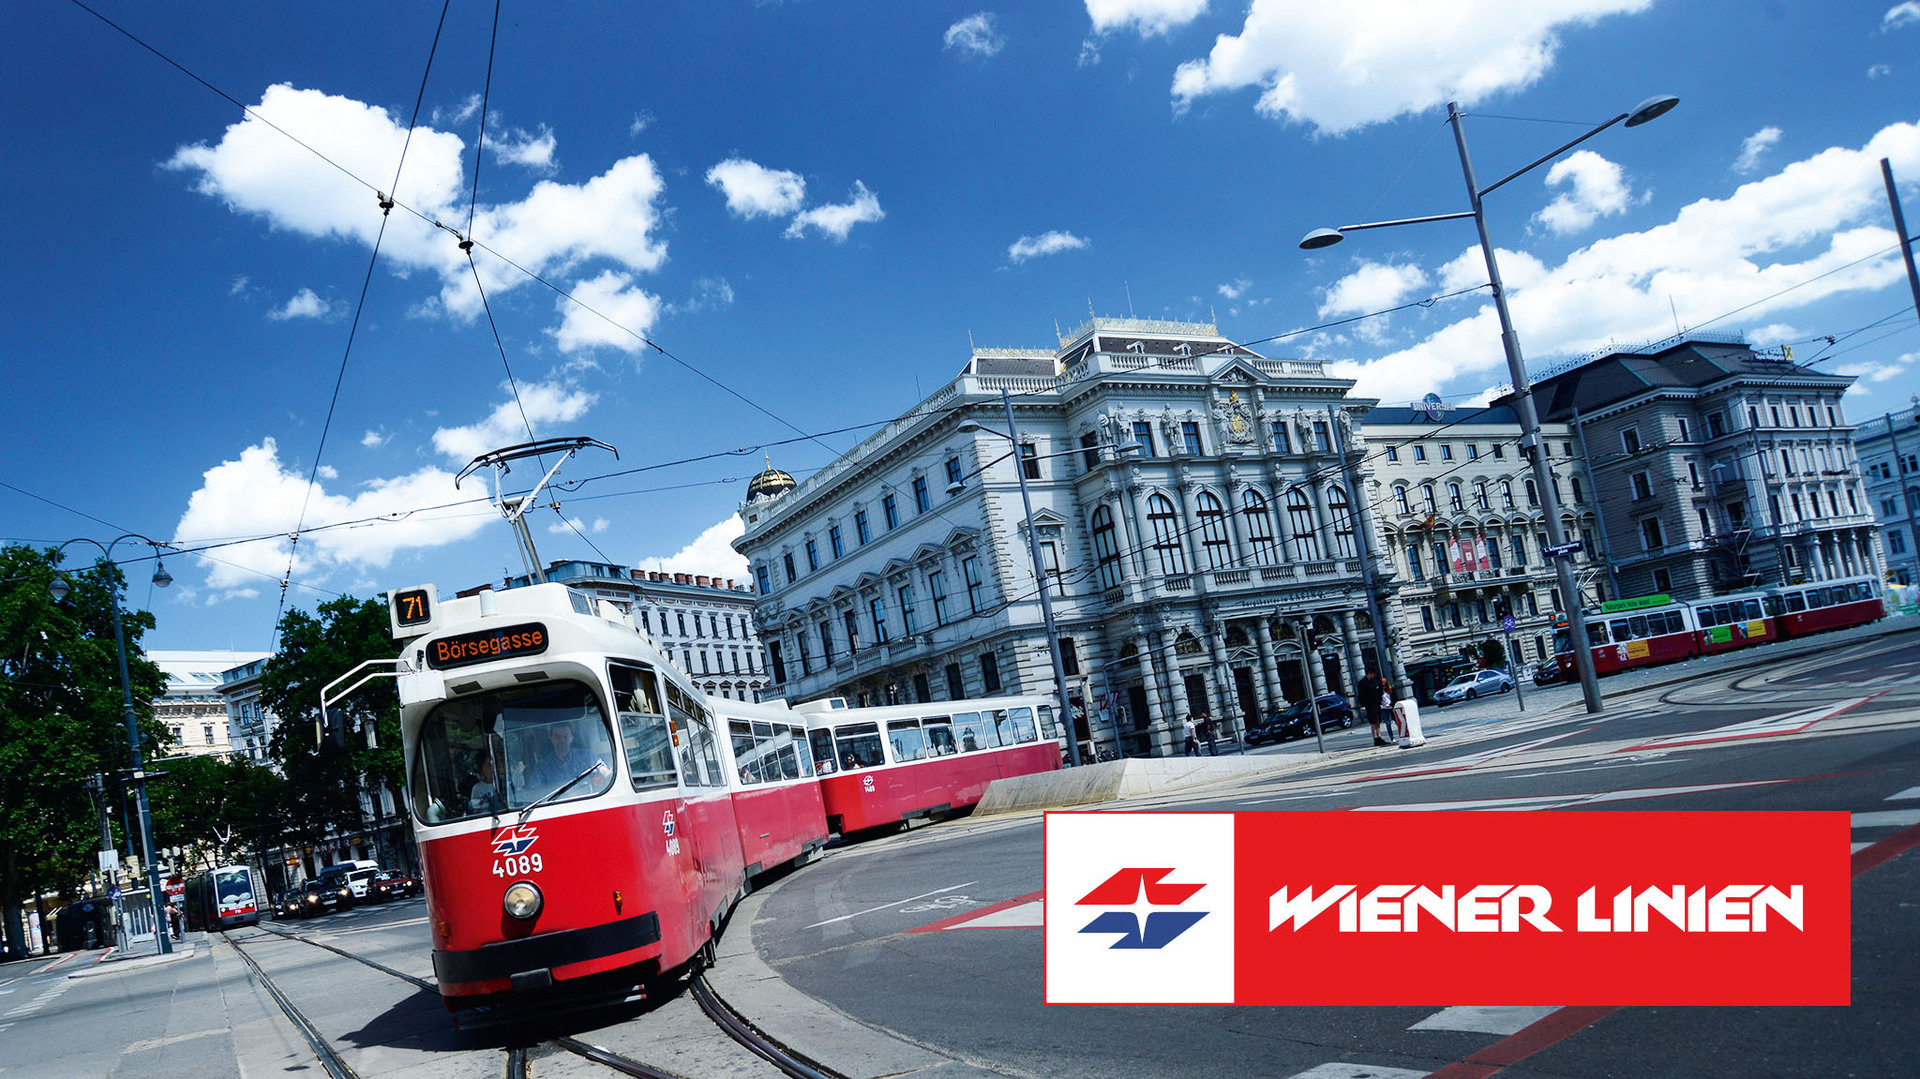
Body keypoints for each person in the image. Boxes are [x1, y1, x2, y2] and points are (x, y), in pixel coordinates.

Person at [526, 722, 609, 794]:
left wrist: (607, 774)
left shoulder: (587, 756)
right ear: (551, 738)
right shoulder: (542, 767)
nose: (562, 740)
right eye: (557, 736)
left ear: (572, 738)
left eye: (566, 736)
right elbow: (534, 791)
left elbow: (603, 770)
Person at [1362, 672, 1389, 746]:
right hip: (1369, 705)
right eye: (1373, 674)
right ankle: (1375, 738)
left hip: (1377, 704)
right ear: (1369, 673)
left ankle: (1379, 737)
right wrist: (1363, 705)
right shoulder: (1363, 682)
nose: (1374, 675)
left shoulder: (1374, 681)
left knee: (1378, 721)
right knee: (1373, 722)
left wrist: (1380, 703)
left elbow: (1378, 692)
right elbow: (1361, 695)